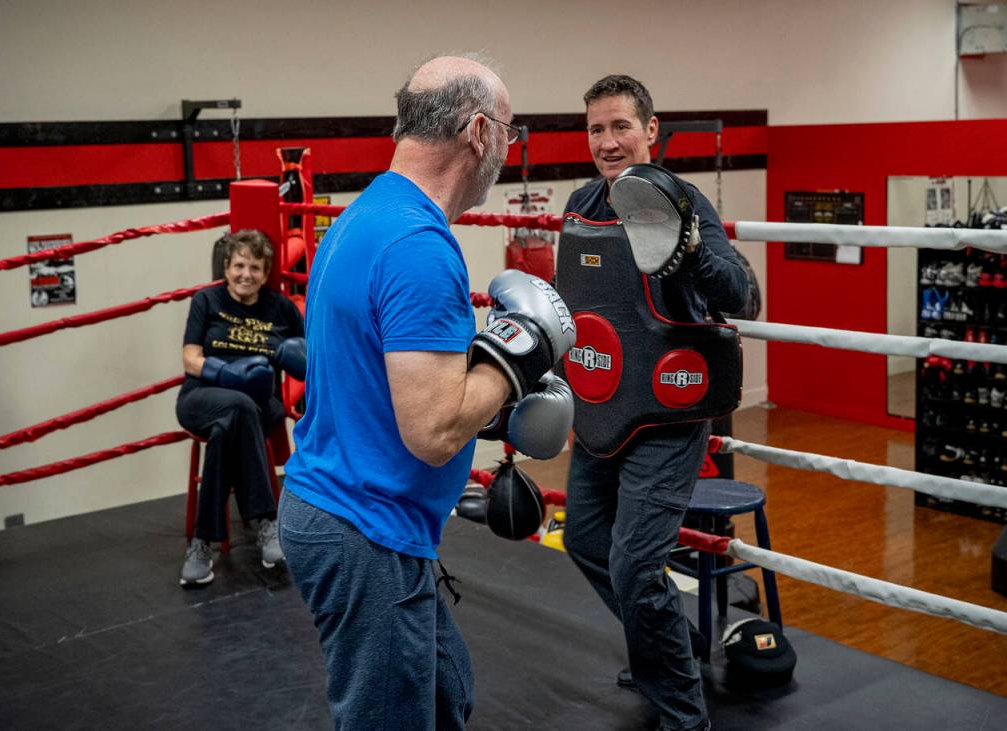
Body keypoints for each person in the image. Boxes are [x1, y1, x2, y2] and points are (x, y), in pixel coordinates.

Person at [280, 55, 574, 729]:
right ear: (478, 131)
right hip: (364, 527)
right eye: (509, 129)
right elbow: (435, 431)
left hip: (341, 508)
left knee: (445, 694)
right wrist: (518, 354)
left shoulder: (366, 213)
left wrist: (486, 385)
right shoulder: (419, 246)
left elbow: (385, 379)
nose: (508, 145)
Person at [560, 75, 748, 731]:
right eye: (595, 129)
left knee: (636, 564)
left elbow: (743, 295)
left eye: (619, 127)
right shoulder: (581, 202)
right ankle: (669, 645)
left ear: (650, 131)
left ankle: (683, 712)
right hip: (601, 410)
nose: (607, 142)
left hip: (666, 420)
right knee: (585, 541)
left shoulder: (684, 200)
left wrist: (689, 245)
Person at [176, 229, 306, 586]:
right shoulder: (206, 300)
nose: (245, 274)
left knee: (231, 423)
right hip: (203, 395)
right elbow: (190, 359)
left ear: (265, 274)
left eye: (254, 267)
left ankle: (202, 545)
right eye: (238, 265)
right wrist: (229, 373)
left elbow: (312, 355)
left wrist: (298, 360)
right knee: (238, 406)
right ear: (226, 267)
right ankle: (267, 522)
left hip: (261, 403)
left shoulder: (281, 309)